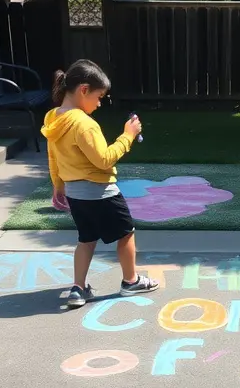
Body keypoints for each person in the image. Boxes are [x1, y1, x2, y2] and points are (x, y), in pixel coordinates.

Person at [42, 59, 159, 308]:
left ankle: (78, 288)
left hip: (75, 194)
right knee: (126, 233)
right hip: (101, 192)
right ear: (83, 89)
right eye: (99, 97)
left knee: (86, 239)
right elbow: (104, 160)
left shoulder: (53, 118)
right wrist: (128, 136)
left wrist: (58, 185)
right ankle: (131, 281)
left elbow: (53, 157)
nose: (99, 103)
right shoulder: (83, 124)